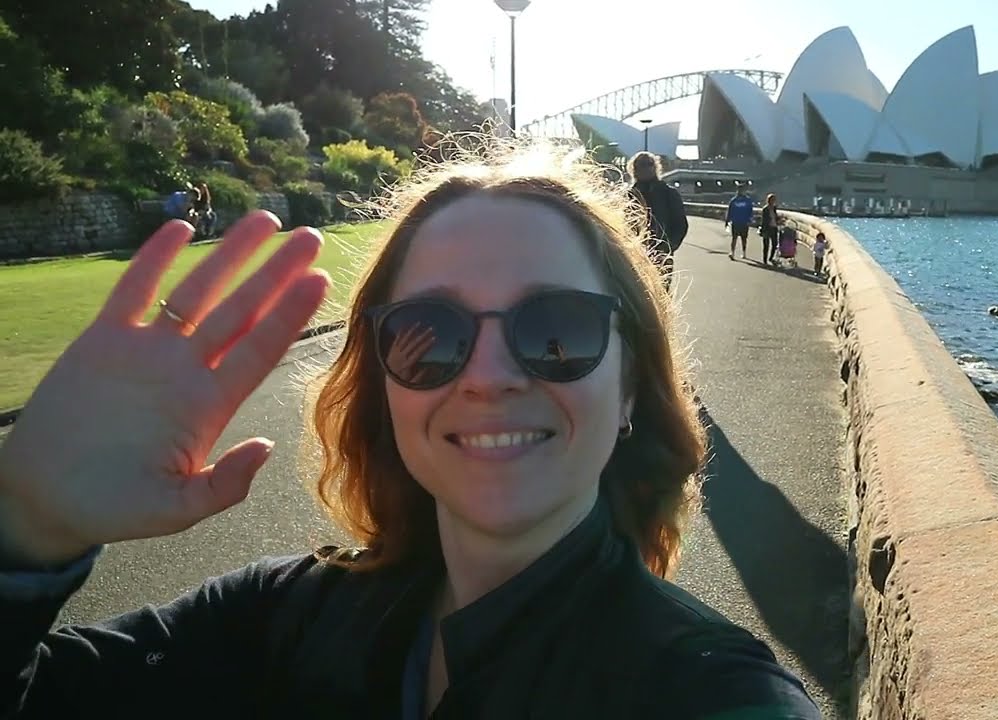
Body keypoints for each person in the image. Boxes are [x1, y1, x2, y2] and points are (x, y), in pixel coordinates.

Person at [0, 138, 821, 719]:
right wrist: (25, 533)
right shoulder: (277, 616)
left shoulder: (706, 689)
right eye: (432, 334)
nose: (490, 376)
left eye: (556, 329)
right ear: (382, 385)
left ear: (634, 379)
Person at [627, 152, 688, 289]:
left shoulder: (668, 193)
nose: (645, 168)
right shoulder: (628, 195)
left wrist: (668, 247)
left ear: (655, 167)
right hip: (633, 256)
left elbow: (681, 224)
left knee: (660, 293)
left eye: (649, 164)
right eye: (640, 165)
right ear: (633, 169)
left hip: (661, 254)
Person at [723, 184, 754, 260]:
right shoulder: (734, 200)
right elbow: (730, 211)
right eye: (740, 190)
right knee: (734, 238)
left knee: (744, 239)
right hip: (736, 222)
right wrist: (727, 221)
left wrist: (750, 220)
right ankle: (732, 253)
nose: (741, 191)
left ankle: (744, 253)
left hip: (744, 222)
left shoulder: (747, 200)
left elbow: (750, 211)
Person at [759, 193, 780, 265]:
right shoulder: (765, 209)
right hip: (767, 229)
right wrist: (763, 229)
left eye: (774, 200)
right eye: (772, 200)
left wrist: (779, 220)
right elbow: (763, 220)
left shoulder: (774, 208)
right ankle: (764, 260)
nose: (773, 201)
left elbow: (775, 217)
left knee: (775, 244)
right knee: (766, 245)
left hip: (774, 228)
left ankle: (771, 258)